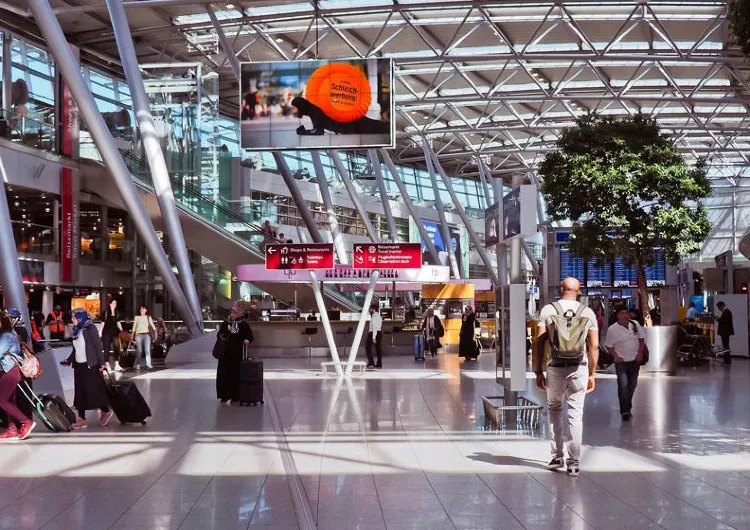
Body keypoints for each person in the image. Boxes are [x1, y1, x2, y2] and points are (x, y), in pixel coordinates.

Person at [534, 278, 599, 478]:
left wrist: (538, 370)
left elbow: (538, 342)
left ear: (561, 289)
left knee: (554, 409)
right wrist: (592, 373)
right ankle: (573, 462)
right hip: (579, 367)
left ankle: (557, 456)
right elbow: (594, 346)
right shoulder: (587, 313)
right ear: (578, 292)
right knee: (575, 414)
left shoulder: (548, 310)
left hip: (555, 367)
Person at [61, 309, 113, 429]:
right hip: (79, 365)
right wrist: (68, 360)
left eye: (75, 317)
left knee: (94, 391)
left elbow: (98, 347)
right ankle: (82, 419)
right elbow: (76, 349)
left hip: (91, 365)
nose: (73, 319)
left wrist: (102, 363)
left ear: (81, 317)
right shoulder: (76, 330)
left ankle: (106, 411)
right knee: (80, 392)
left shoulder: (90, 328)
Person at [603, 305, 646, 421]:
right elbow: (608, 346)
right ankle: (625, 410)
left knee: (632, 385)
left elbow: (641, 340)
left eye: (626, 313)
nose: (625, 315)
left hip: (635, 360)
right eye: (622, 313)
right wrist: (616, 356)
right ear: (617, 315)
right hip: (621, 362)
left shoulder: (635, 324)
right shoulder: (612, 329)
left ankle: (628, 405)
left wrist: (640, 354)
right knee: (623, 385)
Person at [0, 311, 36, 441]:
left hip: (10, 371)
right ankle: (12, 429)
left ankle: (26, 422)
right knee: (9, 400)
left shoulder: (7, 336)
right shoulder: (9, 334)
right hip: (8, 370)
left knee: (2, 400)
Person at [216, 304, 253, 404]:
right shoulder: (226, 323)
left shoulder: (243, 324)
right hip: (225, 354)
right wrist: (221, 337)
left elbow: (249, 336)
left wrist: (246, 340)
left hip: (237, 355)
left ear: (239, 313)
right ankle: (224, 395)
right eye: (231, 312)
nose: (232, 315)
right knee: (224, 375)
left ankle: (235, 396)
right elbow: (219, 334)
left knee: (236, 375)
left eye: (234, 313)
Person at [101, 299, 123, 372]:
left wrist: (122, 330)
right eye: (113, 303)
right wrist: (100, 331)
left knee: (117, 347)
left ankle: (116, 364)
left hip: (115, 332)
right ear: (110, 304)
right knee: (106, 348)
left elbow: (118, 322)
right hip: (106, 333)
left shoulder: (117, 312)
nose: (115, 304)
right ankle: (107, 364)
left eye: (115, 303)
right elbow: (103, 323)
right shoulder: (105, 312)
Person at [132, 305, 156, 370]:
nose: (142, 310)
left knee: (147, 350)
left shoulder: (148, 317)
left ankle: (148, 364)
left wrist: (155, 333)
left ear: (146, 310)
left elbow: (152, 325)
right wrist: (132, 336)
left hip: (146, 334)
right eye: (141, 308)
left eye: (143, 309)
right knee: (139, 351)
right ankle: (138, 364)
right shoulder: (137, 317)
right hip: (138, 335)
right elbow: (134, 327)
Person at [365, 304, 383, 369]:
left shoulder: (375, 317)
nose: (369, 311)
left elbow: (375, 327)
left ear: (373, 309)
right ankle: (379, 364)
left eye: (370, 309)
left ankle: (371, 362)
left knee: (367, 347)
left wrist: (373, 337)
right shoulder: (378, 316)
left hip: (374, 333)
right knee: (378, 349)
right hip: (378, 333)